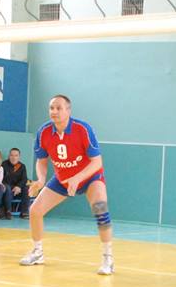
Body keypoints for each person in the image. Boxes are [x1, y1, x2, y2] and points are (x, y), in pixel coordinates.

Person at [19, 95, 113, 275]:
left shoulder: (83, 129)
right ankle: (38, 252)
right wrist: (40, 179)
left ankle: (108, 258)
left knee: (100, 209)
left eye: (58, 108)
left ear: (68, 110)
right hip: (62, 178)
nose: (54, 111)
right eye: (51, 108)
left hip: (90, 177)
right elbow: (41, 160)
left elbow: (97, 162)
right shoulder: (43, 132)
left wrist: (78, 178)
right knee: (35, 211)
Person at [2, 147, 30, 218]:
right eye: (12, 155)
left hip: (18, 190)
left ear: (19, 157)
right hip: (8, 189)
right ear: (9, 156)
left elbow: (24, 179)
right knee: (7, 188)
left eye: (16, 155)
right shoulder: (4, 164)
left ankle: (24, 212)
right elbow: (2, 179)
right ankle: (8, 211)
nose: (13, 157)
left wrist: (18, 186)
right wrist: (13, 187)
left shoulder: (22, 166)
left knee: (26, 188)